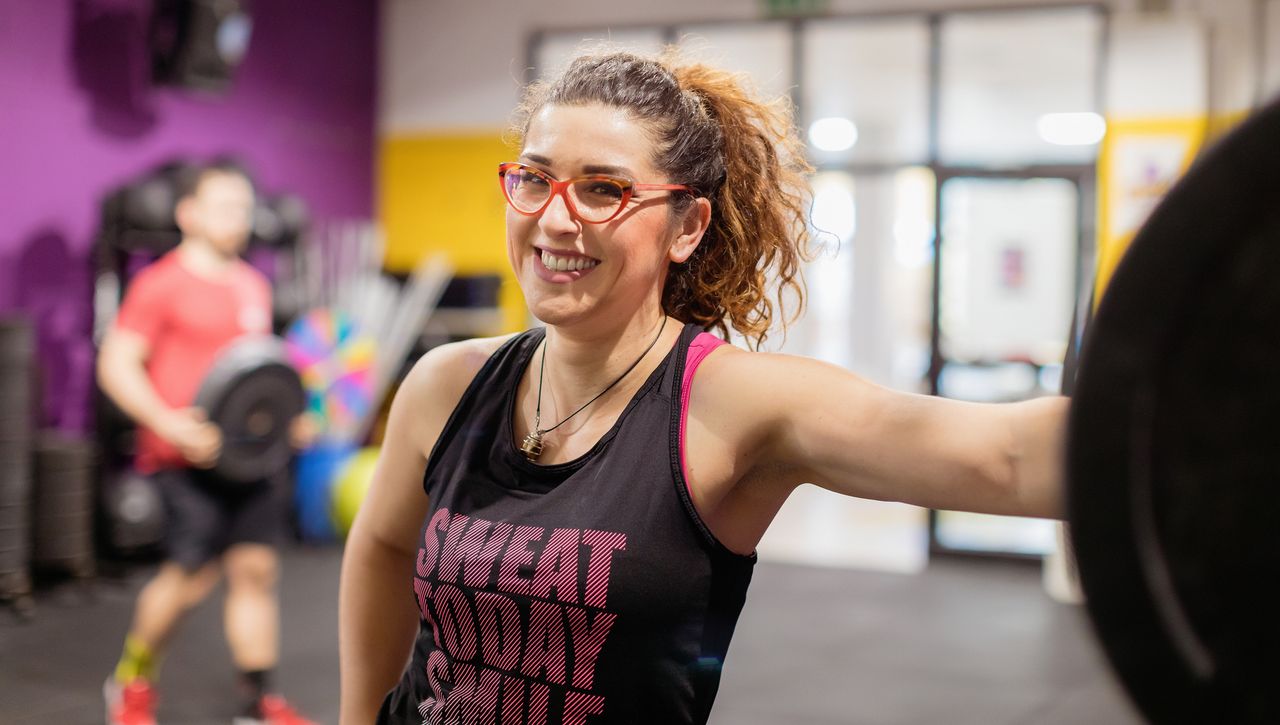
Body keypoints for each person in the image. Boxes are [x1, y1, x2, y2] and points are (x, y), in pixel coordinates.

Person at [338, 49, 1067, 725]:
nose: (555, 218)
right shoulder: (447, 384)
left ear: (686, 226)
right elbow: (381, 543)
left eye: (604, 189)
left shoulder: (726, 406)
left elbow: (1007, 456)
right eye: (534, 178)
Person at [98, 159, 318, 725]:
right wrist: (165, 422)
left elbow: (257, 376)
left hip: (251, 462)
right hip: (183, 459)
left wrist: (289, 417)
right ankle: (132, 679)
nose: (238, 218)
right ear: (188, 213)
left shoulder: (251, 283)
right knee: (189, 580)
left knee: (255, 571)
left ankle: (257, 701)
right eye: (224, 206)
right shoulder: (159, 283)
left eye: (244, 208)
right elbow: (116, 364)